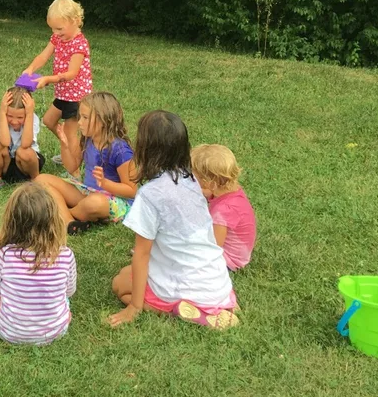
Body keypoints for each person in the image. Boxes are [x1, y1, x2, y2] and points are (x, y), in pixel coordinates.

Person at [109, 111, 239, 328]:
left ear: (145, 150)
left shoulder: (150, 195)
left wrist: (134, 307)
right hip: (217, 284)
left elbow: (141, 253)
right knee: (125, 272)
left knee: (120, 284)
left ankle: (186, 312)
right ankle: (218, 306)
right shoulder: (193, 180)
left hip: (184, 284)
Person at [0, 184, 76, 344]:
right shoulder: (66, 255)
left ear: (12, 220)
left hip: (8, 332)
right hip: (56, 331)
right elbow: (69, 292)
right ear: (53, 219)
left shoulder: (4, 255)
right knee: (64, 302)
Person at [35, 92, 135, 234]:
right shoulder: (88, 138)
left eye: (85, 118)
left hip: (113, 201)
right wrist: (64, 145)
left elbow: (132, 191)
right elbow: (72, 166)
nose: (80, 122)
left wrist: (106, 184)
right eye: (79, 117)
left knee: (95, 203)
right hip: (87, 191)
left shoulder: (120, 150)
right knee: (41, 179)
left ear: (103, 121)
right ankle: (69, 222)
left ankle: (59, 214)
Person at [21, 0, 92, 165]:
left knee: (69, 132)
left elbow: (71, 74)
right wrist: (30, 69)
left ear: (75, 21)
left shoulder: (79, 45)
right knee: (49, 121)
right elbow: (44, 56)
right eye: (53, 29)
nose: (56, 33)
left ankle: (74, 166)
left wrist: (48, 79)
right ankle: (70, 150)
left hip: (77, 97)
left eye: (59, 28)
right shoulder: (58, 38)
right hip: (63, 94)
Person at [192, 144, 257, 271]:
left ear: (210, 183)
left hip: (229, 259)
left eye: (195, 178)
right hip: (238, 253)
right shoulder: (232, 191)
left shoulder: (223, 211)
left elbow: (213, 247)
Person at [0, 87, 44, 190]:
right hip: (6, 163)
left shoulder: (33, 118)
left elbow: (26, 144)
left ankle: (35, 180)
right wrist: (2, 114)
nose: (14, 121)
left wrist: (30, 114)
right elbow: (4, 142)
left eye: (20, 118)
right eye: (9, 116)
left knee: (24, 152)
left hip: (25, 165)